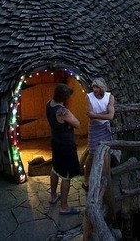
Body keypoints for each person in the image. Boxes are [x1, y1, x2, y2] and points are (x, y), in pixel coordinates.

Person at [47, 83, 82, 215]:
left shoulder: (48, 104)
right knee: (66, 175)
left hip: (55, 141)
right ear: (64, 97)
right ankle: (64, 206)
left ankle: (53, 196)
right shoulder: (63, 111)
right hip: (66, 145)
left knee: (55, 169)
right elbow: (77, 124)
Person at [83, 77, 116, 187]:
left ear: (102, 87)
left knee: (106, 151)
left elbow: (111, 116)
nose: (95, 89)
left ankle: (105, 175)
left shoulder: (109, 97)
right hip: (94, 128)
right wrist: (103, 114)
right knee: (92, 153)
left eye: (97, 87)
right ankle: (86, 178)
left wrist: (96, 115)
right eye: (93, 87)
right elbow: (89, 114)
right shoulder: (89, 97)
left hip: (105, 127)